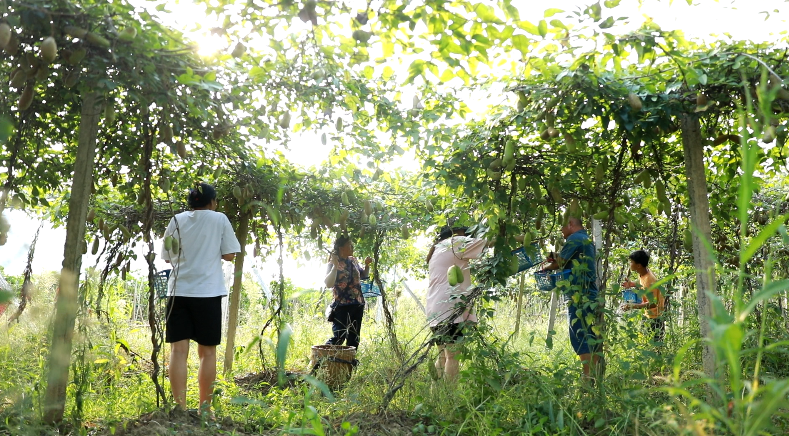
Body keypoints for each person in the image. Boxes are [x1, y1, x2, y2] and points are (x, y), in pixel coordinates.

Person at [161, 182, 241, 415]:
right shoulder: (219, 219)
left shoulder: (176, 220)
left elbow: (168, 257)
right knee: (207, 353)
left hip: (178, 291)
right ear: (212, 202)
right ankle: (205, 409)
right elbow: (229, 255)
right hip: (207, 292)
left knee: (178, 352)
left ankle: (179, 408)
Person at [426, 226, 487, 382]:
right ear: (458, 234)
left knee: (443, 357)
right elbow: (489, 242)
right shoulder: (455, 242)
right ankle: (449, 400)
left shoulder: (437, 249)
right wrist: (523, 238)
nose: (468, 238)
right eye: (466, 235)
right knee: (453, 356)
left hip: (435, 308)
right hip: (450, 306)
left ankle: (437, 398)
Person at [544, 216, 600, 379]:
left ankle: (588, 378)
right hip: (588, 293)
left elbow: (561, 261)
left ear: (571, 224)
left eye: (562, 227)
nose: (561, 231)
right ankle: (593, 377)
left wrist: (547, 268)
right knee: (589, 334)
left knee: (580, 334)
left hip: (579, 295)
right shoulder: (585, 239)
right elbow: (567, 259)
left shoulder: (575, 238)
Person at [324, 234, 372, 351]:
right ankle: (322, 360)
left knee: (354, 338)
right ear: (341, 248)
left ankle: (349, 365)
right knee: (339, 337)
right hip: (342, 306)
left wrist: (367, 265)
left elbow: (363, 276)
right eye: (349, 245)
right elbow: (328, 283)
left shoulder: (353, 260)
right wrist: (335, 267)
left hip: (358, 304)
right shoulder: (332, 263)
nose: (352, 247)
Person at [620, 250, 666, 343]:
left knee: (655, 348)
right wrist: (632, 284)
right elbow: (642, 284)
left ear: (638, 265)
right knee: (644, 343)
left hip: (655, 319)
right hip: (648, 315)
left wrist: (632, 306)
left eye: (632, 262)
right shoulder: (644, 273)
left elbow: (653, 304)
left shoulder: (650, 280)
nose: (630, 263)